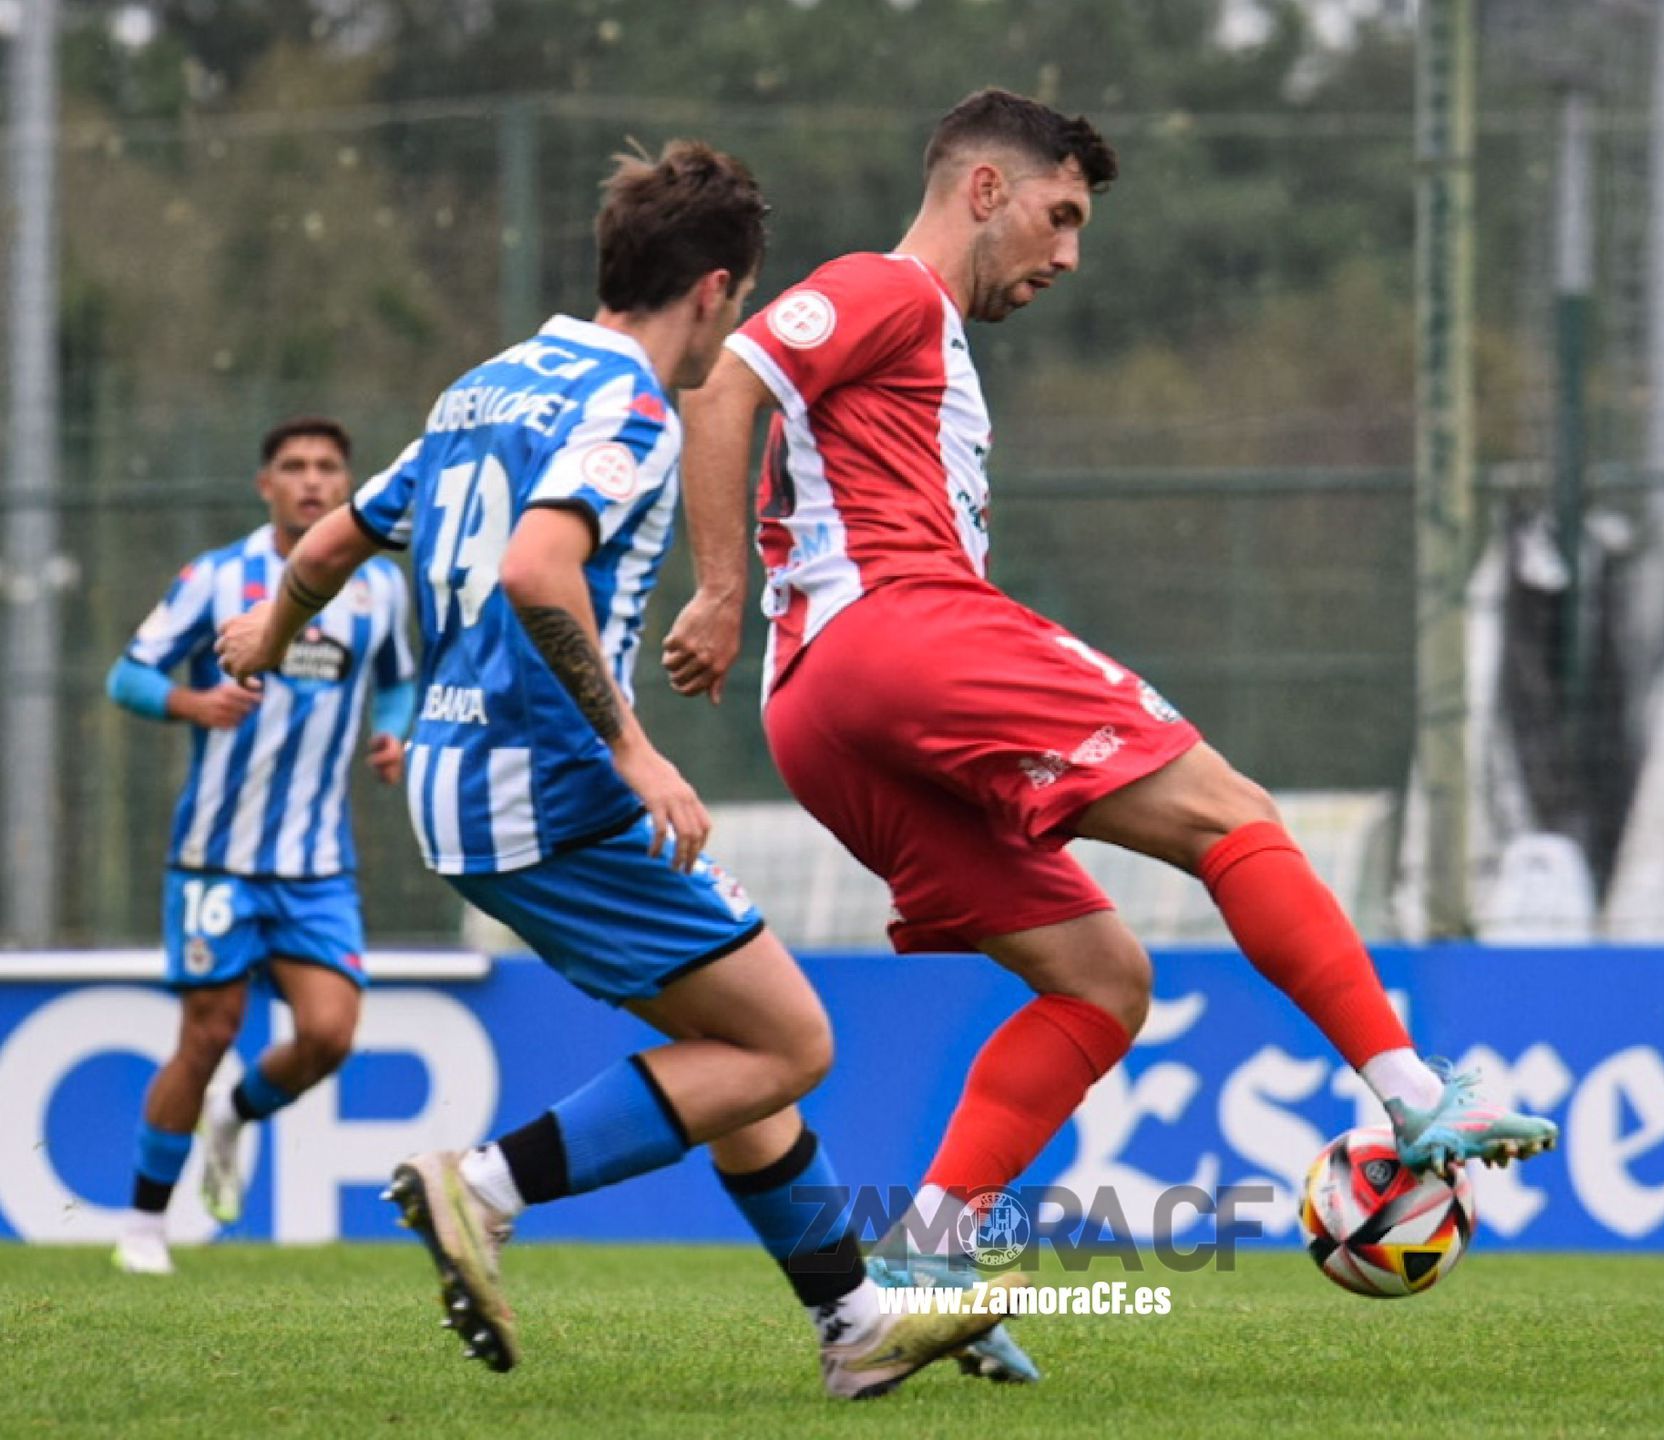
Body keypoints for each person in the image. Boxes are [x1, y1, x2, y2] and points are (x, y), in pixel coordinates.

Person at [662, 87, 1559, 1350]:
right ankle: (1412, 1096)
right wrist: (714, 589)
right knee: (1227, 814)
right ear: (985, 189)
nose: (1068, 255)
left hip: (815, 717)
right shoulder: (889, 287)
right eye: (1060, 215)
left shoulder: (923, 344)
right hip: (898, 633)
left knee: (1100, 980)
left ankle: (921, 1268)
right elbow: (721, 387)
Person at [216, 139, 1008, 1399]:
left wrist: (268, 626)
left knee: (729, 1058)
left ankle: (853, 1324)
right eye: (736, 303)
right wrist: (635, 751)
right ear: (711, 289)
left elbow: (352, 529)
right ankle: (484, 1187)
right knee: (791, 1042)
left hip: (455, 784)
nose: (729, 328)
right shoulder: (631, 404)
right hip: (549, 789)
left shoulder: (484, 385)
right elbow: (538, 570)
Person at [106, 416, 416, 1277]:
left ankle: (237, 1114)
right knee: (207, 1032)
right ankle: (143, 1227)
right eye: (294, 467)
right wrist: (190, 704)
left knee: (329, 1034)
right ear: (265, 485)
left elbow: (398, 685)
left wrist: (392, 737)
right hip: (216, 858)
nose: (313, 481)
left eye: (328, 468)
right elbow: (127, 674)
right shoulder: (215, 580)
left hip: (317, 864)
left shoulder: (377, 589)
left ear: (347, 485)